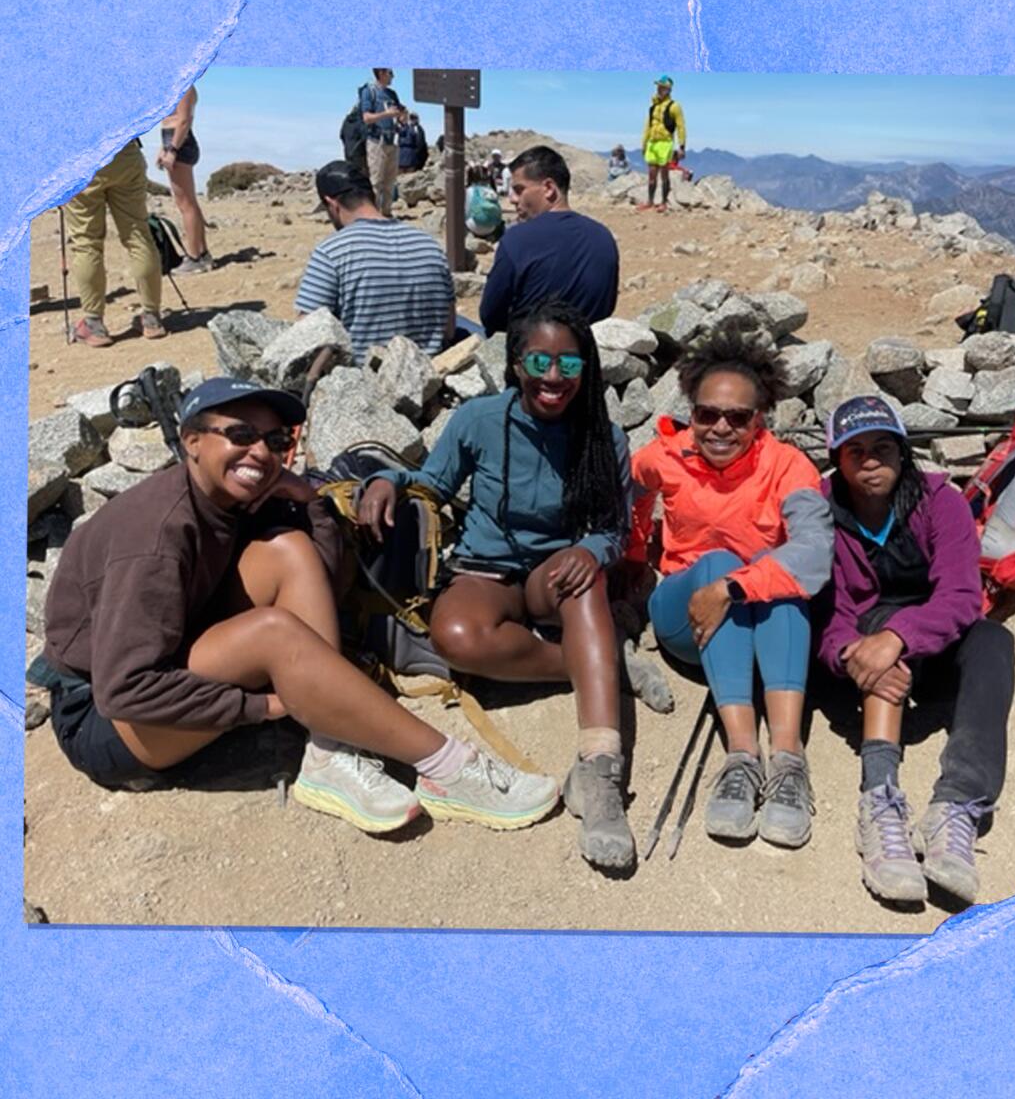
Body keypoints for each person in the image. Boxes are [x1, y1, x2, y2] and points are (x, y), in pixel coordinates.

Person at [34, 376, 559, 835]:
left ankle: (329, 748)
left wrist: (309, 502)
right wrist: (260, 708)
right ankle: (447, 768)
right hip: (104, 719)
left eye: (274, 440)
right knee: (272, 632)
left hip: (167, 664)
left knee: (290, 549)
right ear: (190, 441)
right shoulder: (157, 535)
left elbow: (322, 573)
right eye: (239, 434)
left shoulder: (222, 498)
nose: (259, 453)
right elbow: (126, 688)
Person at [357, 302, 655, 869]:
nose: (552, 378)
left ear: (586, 370)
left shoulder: (603, 436)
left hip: (555, 579)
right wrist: (386, 480)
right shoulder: (479, 421)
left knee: (584, 574)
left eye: (569, 365)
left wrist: (588, 549)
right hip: (485, 573)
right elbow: (433, 484)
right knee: (458, 636)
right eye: (539, 360)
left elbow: (615, 531)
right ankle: (600, 663)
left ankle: (599, 772)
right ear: (516, 362)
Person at [627, 318, 833, 848]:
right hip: (685, 619)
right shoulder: (663, 457)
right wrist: (634, 556)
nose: (721, 428)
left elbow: (813, 552)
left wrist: (732, 590)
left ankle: (787, 760)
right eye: (706, 414)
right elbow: (633, 494)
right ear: (690, 413)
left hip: (754, 618)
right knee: (720, 564)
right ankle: (742, 754)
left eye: (737, 418)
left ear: (760, 419)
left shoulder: (789, 466)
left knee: (777, 581)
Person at [816, 396, 1015, 906]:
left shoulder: (939, 502)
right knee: (878, 629)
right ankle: (879, 799)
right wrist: (853, 655)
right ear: (837, 459)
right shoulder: (823, 512)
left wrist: (899, 636)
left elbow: (961, 596)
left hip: (932, 644)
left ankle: (957, 804)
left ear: (903, 452)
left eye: (883, 447)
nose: (870, 460)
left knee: (994, 639)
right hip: (865, 655)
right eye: (854, 450)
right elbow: (826, 614)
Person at [295, 160, 455, 361]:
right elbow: (448, 330)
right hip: (429, 381)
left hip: (362, 385)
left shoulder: (331, 252)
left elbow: (305, 336)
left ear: (332, 204)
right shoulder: (430, 245)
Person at [478, 146, 619, 335]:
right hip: (586, 352)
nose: (512, 199)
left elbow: (490, 316)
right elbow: (607, 306)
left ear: (548, 188)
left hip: (531, 354)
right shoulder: (603, 237)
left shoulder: (517, 239)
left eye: (519, 190)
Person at [63, 138, 164, 347]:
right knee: (138, 236)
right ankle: (152, 318)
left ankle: (93, 324)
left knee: (86, 242)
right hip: (125, 153)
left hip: (81, 157)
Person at [157, 85, 213, 274]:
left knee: (185, 204)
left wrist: (172, 150)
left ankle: (194, 257)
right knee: (189, 203)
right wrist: (163, 148)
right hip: (172, 141)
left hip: (180, 144)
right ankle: (202, 253)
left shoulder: (185, 86)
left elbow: (184, 120)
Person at [358, 68, 405, 217]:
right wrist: (386, 114)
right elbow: (366, 118)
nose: (393, 76)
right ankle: (374, 215)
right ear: (382, 73)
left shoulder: (392, 94)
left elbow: (399, 114)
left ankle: (387, 213)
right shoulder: (369, 91)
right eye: (390, 72)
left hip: (393, 140)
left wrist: (402, 117)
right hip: (377, 141)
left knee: (390, 182)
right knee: (376, 181)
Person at [639, 75, 686, 212]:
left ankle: (664, 202)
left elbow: (681, 126)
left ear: (668, 89)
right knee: (652, 174)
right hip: (653, 143)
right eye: (658, 86)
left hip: (665, 142)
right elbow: (647, 126)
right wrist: (644, 143)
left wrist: (682, 146)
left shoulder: (674, 107)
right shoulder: (653, 107)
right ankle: (650, 201)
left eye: (662, 87)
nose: (659, 89)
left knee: (664, 174)